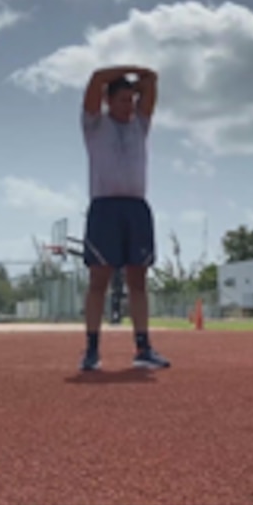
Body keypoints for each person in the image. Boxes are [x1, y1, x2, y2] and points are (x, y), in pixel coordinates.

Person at [79, 67, 171, 371]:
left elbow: (152, 82)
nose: (128, 106)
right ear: (107, 100)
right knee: (99, 280)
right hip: (105, 207)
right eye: (121, 100)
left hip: (136, 208)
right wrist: (132, 69)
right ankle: (91, 350)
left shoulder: (140, 125)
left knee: (138, 280)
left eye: (132, 100)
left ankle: (143, 348)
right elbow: (96, 78)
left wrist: (142, 79)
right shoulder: (94, 124)